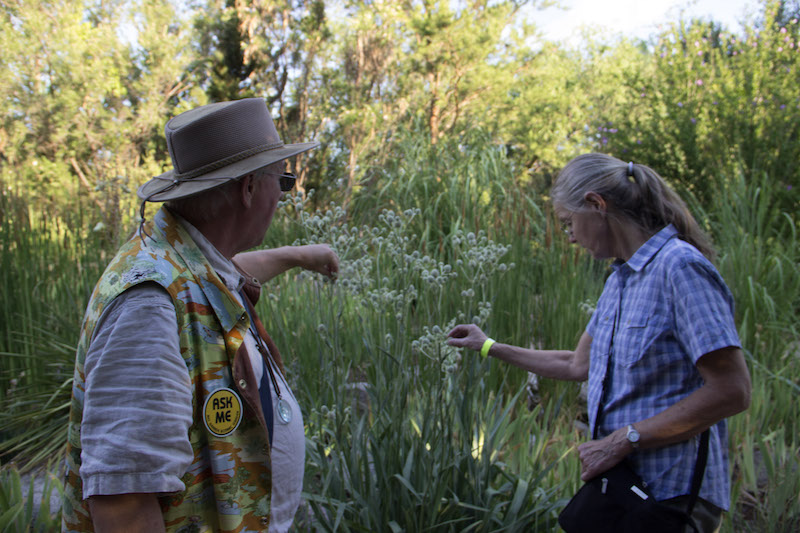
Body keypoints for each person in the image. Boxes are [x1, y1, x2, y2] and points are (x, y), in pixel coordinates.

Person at [62, 98, 339, 533]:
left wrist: (299, 256)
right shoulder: (148, 307)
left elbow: (225, 273)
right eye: (282, 183)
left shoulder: (183, 260)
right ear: (249, 188)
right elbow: (124, 506)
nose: (282, 198)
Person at [447, 153, 751, 532]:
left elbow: (732, 390)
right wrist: (487, 345)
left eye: (568, 222)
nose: (569, 235)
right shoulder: (619, 281)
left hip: (670, 497)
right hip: (622, 492)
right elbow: (576, 364)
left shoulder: (680, 268)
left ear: (596, 204)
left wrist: (624, 439)